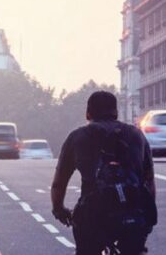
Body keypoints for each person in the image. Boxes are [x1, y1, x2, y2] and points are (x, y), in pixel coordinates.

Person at [51, 90, 156, 255]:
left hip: (93, 215)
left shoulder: (78, 137)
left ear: (88, 113)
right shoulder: (136, 135)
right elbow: (149, 181)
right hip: (133, 214)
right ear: (116, 112)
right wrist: (146, 215)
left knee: (87, 249)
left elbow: (59, 182)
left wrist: (59, 209)